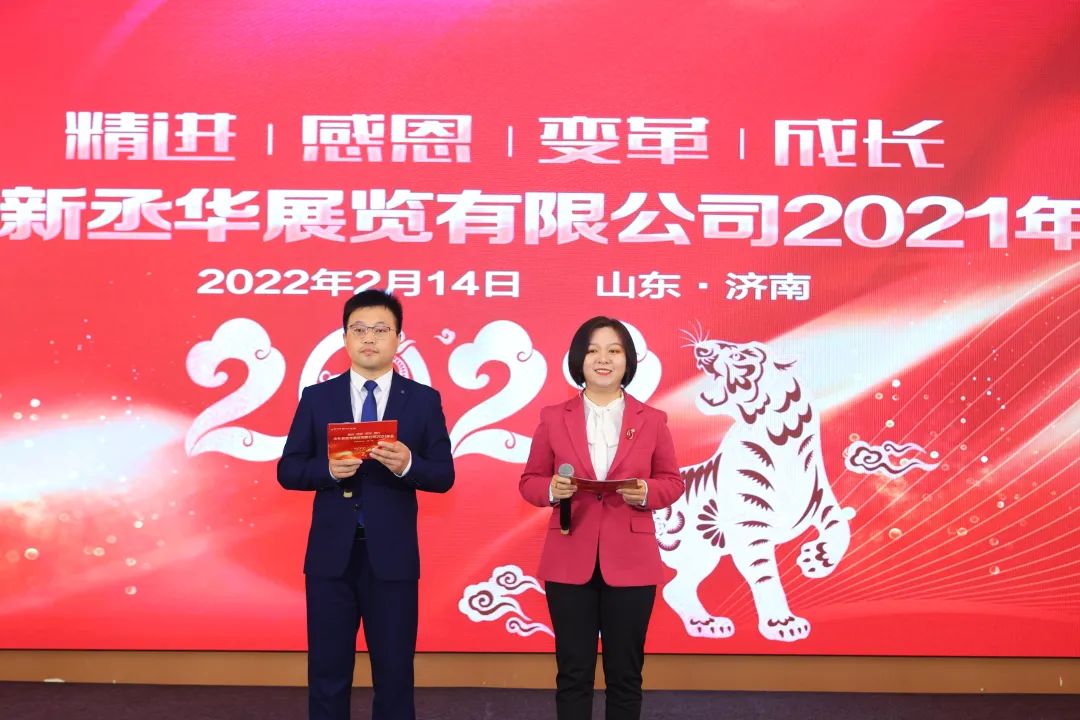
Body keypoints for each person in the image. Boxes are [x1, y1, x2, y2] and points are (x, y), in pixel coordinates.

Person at [278, 289, 455, 720]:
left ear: (398, 339)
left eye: (380, 329)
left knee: (394, 674)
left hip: (392, 559)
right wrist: (327, 470)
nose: (369, 338)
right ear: (344, 338)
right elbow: (289, 469)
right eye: (359, 330)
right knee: (327, 672)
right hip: (330, 558)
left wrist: (408, 464)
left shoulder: (423, 400)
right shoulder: (318, 398)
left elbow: (443, 475)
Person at [519, 316, 684, 720]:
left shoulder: (653, 419)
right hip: (568, 556)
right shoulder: (553, 416)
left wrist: (646, 492)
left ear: (628, 360)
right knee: (573, 673)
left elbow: (672, 481)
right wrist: (551, 489)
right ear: (579, 359)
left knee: (625, 675)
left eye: (614, 351)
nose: (603, 359)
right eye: (593, 351)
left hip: (632, 562)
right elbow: (529, 482)